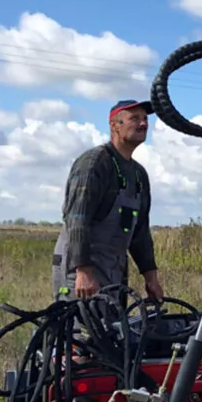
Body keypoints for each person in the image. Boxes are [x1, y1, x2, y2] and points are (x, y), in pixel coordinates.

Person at [52, 99, 164, 304]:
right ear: (114, 125)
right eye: (134, 118)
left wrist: (151, 278)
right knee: (81, 331)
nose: (143, 124)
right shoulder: (94, 163)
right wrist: (83, 271)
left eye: (145, 119)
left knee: (113, 331)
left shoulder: (139, 174)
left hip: (114, 267)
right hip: (80, 269)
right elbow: (77, 219)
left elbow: (140, 232)